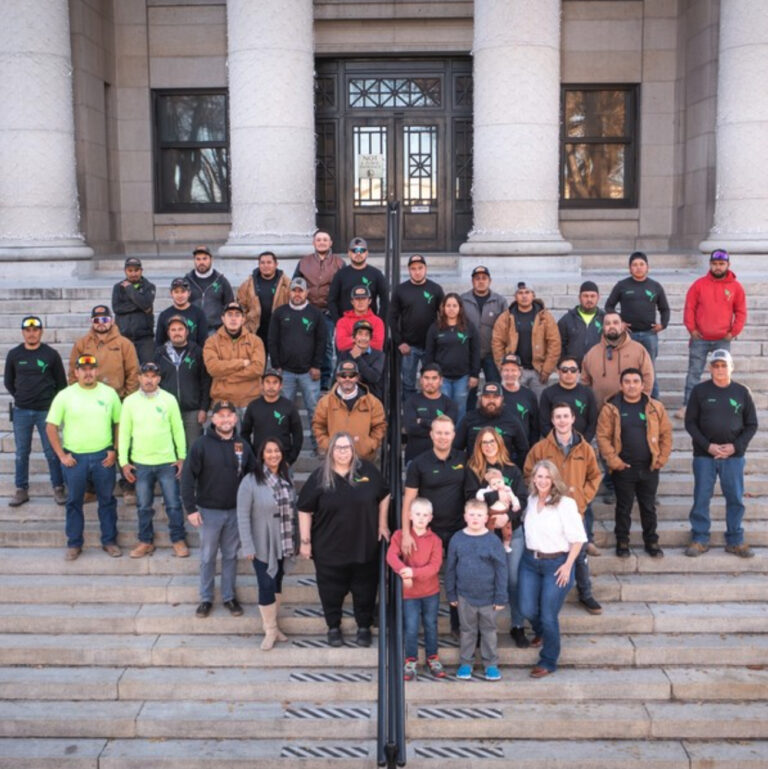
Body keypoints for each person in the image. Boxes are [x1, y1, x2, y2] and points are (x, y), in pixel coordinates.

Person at [298, 431, 391, 647]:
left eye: (347, 447)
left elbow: (385, 494)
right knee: (331, 591)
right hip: (329, 548)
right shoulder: (320, 476)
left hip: (364, 545)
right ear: (331, 451)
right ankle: (333, 627)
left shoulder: (366, 470)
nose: (343, 452)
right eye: (338, 448)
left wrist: (383, 523)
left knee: (365, 590)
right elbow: (304, 509)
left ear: (353, 449)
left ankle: (364, 627)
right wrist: (305, 541)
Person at [181, 400, 256, 618]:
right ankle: (206, 598)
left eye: (229, 415)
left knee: (231, 555)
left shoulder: (242, 445)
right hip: (208, 512)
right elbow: (187, 478)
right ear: (213, 420)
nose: (225, 420)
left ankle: (229, 597)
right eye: (220, 416)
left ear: (235, 418)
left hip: (235, 512)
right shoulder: (201, 444)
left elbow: (253, 476)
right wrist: (191, 508)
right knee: (207, 556)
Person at [524, 403, 602, 614]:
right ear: (552, 420)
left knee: (580, 554)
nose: (562, 420)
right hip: (549, 511)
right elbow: (528, 473)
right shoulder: (541, 448)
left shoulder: (584, 448)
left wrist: (582, 498)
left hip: (576, 510)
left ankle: (585, 593)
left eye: (565, 416)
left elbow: (595, 475)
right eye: (557, 416)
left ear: (573, 419)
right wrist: (539, 494)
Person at [45, 355, 122, 561]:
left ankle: (109, 541)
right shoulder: (65, 395)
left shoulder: (109, 394)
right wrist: (61, 454)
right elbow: (50, 426)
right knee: (74, 501)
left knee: (107, 500)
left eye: (91, 369)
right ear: (76, 372)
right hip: (75, 458)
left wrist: (115, 449)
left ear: (97, 370)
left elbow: (119, 423)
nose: (88, 373)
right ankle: (74, 543)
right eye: (83, 369)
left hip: (103, 456)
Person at [684, 349, 758, 558]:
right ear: (710, 368)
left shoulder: (742, 392)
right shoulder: (699, 391)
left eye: (723, 365)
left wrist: (735, 446)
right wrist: (708, 446)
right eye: (715, 365)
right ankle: (699, 538)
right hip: (704, 455)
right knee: (701, 497)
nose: (719, 369)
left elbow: (752, 424)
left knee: (735, 498)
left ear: (731, 367)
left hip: (733, 457)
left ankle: (735, 540)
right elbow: (690, 423)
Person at [518, 460, 586, 678]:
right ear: (533, 479)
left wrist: (568, 566)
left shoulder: (565, 504)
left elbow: (577, 540)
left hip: (557, 564)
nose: (543, 481)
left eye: (548, 477)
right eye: (539, 476)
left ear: (554, 479)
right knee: (526, 608)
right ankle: (542, 633)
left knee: (548, 614)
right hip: (530, 562)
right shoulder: (530, 500)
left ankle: (548, 660)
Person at [597, 368, 672, 558]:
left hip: (649, 467)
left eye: (635, 381)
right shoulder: (611, 408)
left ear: (643, 384)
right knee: (623, 507)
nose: (631, 385)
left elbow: (666, 435)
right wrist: (615, 462)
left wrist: (661, 459)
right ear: (621, 385)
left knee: (648, 506)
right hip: (624, 468)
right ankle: (622, 541)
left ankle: (651, 541)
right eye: (627, 382)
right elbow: (603, 437)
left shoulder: (655, 407)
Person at [402, 414, 467, 636]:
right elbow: (408, 501)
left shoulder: (463, 459)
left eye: (447, 433)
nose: (442, 437)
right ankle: (418, 622)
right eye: (438, 432)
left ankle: (458, 623)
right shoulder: (419, 463)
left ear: (453, 435)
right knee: (424, 574)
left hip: (459, 529)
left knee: (458, 576)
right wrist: (406, 533)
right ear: (431, 434)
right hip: (429, 531)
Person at [464, 426, 528, 647]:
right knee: (486, 580)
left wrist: (507, 516)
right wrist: (492, 515)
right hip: (485, 533)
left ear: (500, 443)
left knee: (512, 579)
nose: (489, 446)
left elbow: (522, 499)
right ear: (479, 447)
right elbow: (471, 499)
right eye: (484, 442)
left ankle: (518, 625)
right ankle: (484, 628)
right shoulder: (473, 470)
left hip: (513, 532)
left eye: (492, 441)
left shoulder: (512, 470)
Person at [118, 361, 188, 558]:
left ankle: (178, 539)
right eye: (145, 376)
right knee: (143, 505)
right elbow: (124, 433)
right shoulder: (130, 402)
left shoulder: (169, 400)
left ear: (158, 378)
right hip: (141, 463)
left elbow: (178, 429)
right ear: (139, 378)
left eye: (153, 376)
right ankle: (145, 541)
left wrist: (181, 456)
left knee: (173, 503)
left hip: (167, 461)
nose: (149, 379)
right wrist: (124, 461)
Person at [237, 437, 297, 650]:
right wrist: (248, 545)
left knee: (277, 582)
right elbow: (242, 515)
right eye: (268, 451)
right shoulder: (250, 481)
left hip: (283, 540)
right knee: (266, 585)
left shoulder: (286, 477)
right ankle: (269, 630)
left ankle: (274, 627)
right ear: (262, 454)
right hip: (261, 543)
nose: (273, 455)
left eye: (277, 451)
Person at [4, 315, 67, 507]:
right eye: (28, 330)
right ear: (23, 332)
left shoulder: (51, 354)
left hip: (46, 412)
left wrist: (49, 403)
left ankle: (58, 488)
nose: (32, 334)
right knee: (22, 452)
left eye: (35, 330)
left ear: (41, 332)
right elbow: (8, 382)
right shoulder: (14, 355)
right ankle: (21, 489)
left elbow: (61, 384)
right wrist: (22, 397)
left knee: (51, 451)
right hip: (22, 411)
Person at [677, 249, 747, 418]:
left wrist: (733, 332)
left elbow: (741, 312)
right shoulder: (699, 285)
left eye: (721, 264)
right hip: (700, 338)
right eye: (715, 264)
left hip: (722, 340)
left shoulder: (736, 287)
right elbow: (689, 308)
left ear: (728, 265)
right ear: (710, 264)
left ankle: (724, 407)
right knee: (694, 374)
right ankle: (688, 406)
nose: (718, 267)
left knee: (722, 375)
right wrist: (691, 329)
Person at [539, 356, 599, 552]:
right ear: (558, 371)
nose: (569, 373)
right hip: (555, 447)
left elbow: (592, 420)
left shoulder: (587, 393)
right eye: (564, 369)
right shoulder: (549, 393)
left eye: (573, 370)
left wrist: (583, 443)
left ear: (579, 373)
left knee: (581, 498)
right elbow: (544, 421)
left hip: (580, 448)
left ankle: (587, 539)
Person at [445, 499, 508, 682]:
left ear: (486, 518)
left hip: (489, 597)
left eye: (479, 515)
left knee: (489, 631)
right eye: (471, 515)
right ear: (465, 517)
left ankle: (491, 665)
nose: (475, 518)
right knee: (467, 630)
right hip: (464, 596)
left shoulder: (492, 540)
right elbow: (450, 568)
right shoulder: (457, 538)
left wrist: (501, 596)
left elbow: (501, 569)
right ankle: (466, 663)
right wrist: (451, 593)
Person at [386, 497, 445, 680]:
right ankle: (410, 659)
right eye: (417, 514)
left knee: (430, 625)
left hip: (430, 592)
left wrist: (412, 572)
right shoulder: (399, 536)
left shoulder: (435, 540)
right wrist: (404, 571)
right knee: (411, 627)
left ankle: (432, 657)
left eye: (425, 515)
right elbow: (391, 556)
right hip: (409, 594)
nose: (421, 518)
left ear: (430, 518)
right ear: (410, 515)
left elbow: (434, 567)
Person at [268, 276, 327, 444]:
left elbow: (322, 341)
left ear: (307, 292)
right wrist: (276, 365)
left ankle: (318, 446)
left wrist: (317, 365)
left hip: (309, 372)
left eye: (301, 291)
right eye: (294, 290)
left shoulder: (315, 314)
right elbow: (272, 340)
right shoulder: (280, 313)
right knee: (283, 412)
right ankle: (282, 446)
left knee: (314, 411)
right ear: (289, 292)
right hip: (285, 372)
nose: (297, 294)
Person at [605, 252, 670, 399]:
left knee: (650, 370)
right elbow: (609, 306)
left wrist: (663, 324)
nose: (638, 268)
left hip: (649, 335)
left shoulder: (655, 286)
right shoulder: (622, 286)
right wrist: (619, 322)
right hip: (628, 336)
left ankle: (654, 403)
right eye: (635, 265)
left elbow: (664, 308)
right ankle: (625, 400)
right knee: (626, 369)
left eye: (641, 264)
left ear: (648, 267)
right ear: (629, 268)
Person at [491, 280, 560, 398]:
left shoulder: (545, 317)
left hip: (538, 371)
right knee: (514, 403)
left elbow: (554, 343)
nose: (524, 296)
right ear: (515, 296)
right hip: (515, 371)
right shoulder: (506, 317)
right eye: (520, 293)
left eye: (527, 292)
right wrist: (503, 367)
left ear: (533, 295)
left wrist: (547, 369)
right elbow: (497, 342)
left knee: (538, 405)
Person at [294, 230, 345, 391]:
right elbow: (296, 285)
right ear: (314, 243)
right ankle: (305, 376)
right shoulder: (303, 262)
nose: (322, 242)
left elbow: (343, 288)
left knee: (326, 346)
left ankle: (325, 380)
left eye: (325, 240)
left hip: (328, 312)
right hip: (308, 311)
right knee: (305, 343)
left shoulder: (339, 263)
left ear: (330, 243)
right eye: (318, 240)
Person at [389, 254, 444, 400]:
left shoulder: (436, 289)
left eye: (420, 268)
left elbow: (444, 316)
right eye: (413, 269)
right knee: (408, 384)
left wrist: (440, 340)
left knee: (432, 384)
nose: (417, 271)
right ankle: (409, 416)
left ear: (425, 268)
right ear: (409, 270)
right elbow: (392, 318)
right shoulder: (401, 290)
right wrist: (400, 342)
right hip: (409, 347)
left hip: (430, 346)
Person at [154, 314, 211, 452]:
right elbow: (155, 381)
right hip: (168, 410)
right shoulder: (160, 353)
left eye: (180, 329)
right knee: (171, 449)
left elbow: (205, 380)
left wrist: (203, 408)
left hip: (192, 411)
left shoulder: (197, 352)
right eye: (173, 330)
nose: (177, 333)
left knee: (193, 449)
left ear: (186, 331)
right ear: (168, 333)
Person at [312, 361, 387, 461]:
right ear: (337, 378)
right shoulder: (325, 402)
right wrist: (328, 445)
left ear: (357, 378)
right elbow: (318, 426)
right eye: (343, 376)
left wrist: (369, 445)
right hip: (335, 459)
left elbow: (380, 426)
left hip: (364, 458)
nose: (347, 379)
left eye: (351, 375)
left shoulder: (373, 402)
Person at [424, 292, 480, 423]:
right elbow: (429, 353)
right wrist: (431, 375)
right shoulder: (435, 328)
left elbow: (475, 351)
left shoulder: (469, 327)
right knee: (443, 410)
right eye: (448, 305)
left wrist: (474, 374)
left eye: (454, 305)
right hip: (442, 377)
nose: (451, 308)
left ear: (460, 308)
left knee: (460, 410)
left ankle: (457, 441)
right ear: (443, 308)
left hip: (463, 377)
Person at [581, 311, 654, 408]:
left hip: (630, 411)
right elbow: (585, 382)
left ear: (622, 326)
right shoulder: (592, 353)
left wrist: (641, 403)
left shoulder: (638, 350)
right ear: (603, 327)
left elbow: (647, 378)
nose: (611, 326)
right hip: (600, 412)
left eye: (615, 323)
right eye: (607, 323)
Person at [203, 302, 266, 413]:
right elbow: (213, 368)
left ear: (243, 319)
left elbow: (257, 369)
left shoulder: (255, 341)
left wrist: (227, 377)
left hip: (250, 401)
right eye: (229, 315)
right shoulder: (211, 342)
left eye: (237, 315)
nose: (233, 318)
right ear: (223, 318)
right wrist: (241, 363)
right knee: (224, 431)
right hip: (223, 402)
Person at [461, 265, 508, 411]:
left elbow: (506, 328)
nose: (481, 281)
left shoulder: (499, 301)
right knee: (468, 393)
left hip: (491, 354)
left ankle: (495, 419)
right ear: (472, 281)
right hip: (468, 355)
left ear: (490, 281)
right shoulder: (463, 300)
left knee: (494, 389)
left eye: (484, 278)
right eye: (477, 279)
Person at [68, 305, 139, 400]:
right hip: (88, 398)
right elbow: (73, 372)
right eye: (97, 320)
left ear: (112, 321)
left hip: (117, 397)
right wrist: (78, 395)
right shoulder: (81, 344)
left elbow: (133, 372)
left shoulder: (125, 344)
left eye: (105, 319)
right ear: (92, 322)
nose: (101, 323)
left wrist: (127, 398)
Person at [454, 381, 529, 469]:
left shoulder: (512, 420)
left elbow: (523, 449)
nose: (491, 401)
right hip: (475, 471)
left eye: (495, 397)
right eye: (487, 397)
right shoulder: (469, 419)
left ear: (501, 399)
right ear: (480, 398)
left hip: (503, 473)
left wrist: (512, 471)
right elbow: (456, 448)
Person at [241, 369, 303, 465]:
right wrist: (253, 457)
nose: (271, 386)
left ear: (280, 385)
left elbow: (298, 435)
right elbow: (244, 434)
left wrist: (290, 460)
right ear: (262, 385)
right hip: (259, 461)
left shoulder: (289, 406)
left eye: (275, 382)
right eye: (267, 382)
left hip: (283, 461)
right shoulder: (253, 406)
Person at [236, 250, 291, 353]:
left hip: (280, 330)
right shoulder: (248, 284)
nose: (265, 266)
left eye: (269, 262)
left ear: (276, 264)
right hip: (255, 331)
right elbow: (241, 305)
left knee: (279, 366)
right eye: (262, 263)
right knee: (258, 365)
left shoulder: (286, 284)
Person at [403, 364, 458, 463]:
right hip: (415, 458)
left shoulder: (450, 404)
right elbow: (410, 429)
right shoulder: (411, 401)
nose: (430, 382)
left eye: (434, 378)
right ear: (421, 380)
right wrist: (437, 427)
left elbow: (446, 430)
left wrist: (422, 422)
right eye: (426, 378)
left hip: (441, 460)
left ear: (441, 381)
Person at [328, 237, 388, 321]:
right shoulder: (340, 274)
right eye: (354, 251)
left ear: (367, 253)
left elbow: (385, 300)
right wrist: (338, 322)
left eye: (362, 250)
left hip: (369, 325)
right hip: (346, 325)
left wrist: (379, 321)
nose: (358, 253)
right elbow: (332, 300)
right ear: (349, 253)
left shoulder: (376, 274)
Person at [111, 256, 156, 363]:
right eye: (130, 271)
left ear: (141, 271)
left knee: (148, 369)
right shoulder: (118, 287)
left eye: (136, 270)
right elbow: (117, 308)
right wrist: (140, 305)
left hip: (145, 337)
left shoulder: (149, 287)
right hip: (124, 336)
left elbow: (146, 304)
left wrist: (130, 289)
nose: (133, 273)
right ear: (125, 271)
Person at [185, 245, 235, 335]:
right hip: (192, 330)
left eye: (205, 259)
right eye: (198, 259)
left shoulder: (221, 281)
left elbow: (229, 305)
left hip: (215, 330)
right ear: (194, 260)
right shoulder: (187, 281)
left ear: (211, 259)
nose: (201, 262)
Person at [557, 280, 605, 366]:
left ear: (598, 297)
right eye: (585, 296)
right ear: (579, 297)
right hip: (573, 370)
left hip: (598, 368)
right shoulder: (567, 319)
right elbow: (559, 345)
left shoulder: (605, 319)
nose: (589, 299)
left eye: (592, 296)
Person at [498, 353, 540, 449]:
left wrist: (532, 447)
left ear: (520, 372)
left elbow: (535, 426)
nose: (510, 374)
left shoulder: (529, 395)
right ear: (501, 372)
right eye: (506, 370)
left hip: (522, 448)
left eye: (513, 370)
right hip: (498, 448)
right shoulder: (494, 394)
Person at [338, 320, 386, 401]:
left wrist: (358, 358)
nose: (363, 338)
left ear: (370, 339)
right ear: (354, 338)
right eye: (360, 334)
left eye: (367, 335)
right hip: (348, 398)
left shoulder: (379, 355)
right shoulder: (345, 354)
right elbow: (337, 377)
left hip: (371, 399)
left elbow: (373, 377)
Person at [155, 277, 208, 348]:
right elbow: (159, 343)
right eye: (176, 292)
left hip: (194, 356)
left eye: (183, 291)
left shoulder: (199, 314)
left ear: (189, 293)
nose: (180, 295)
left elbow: (203, 341)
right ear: (171, 293)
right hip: (171, 356)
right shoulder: (164, 315)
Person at [335, 285, 385, 352]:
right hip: (349, 358)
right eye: (357, 299)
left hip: (372, 359)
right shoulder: (342, 322)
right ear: (352, 301)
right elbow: (341, 345)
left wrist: (353, 340)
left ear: (369, 301)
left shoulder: (378, 322)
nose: (360, 302)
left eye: (364, 298)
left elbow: (378, 345)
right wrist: (365, 340)